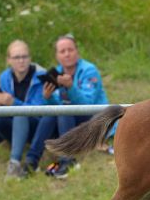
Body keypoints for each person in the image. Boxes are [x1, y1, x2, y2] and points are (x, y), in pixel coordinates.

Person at [22, 34, 109, 179]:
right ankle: (32, 160)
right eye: (62, 51)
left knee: (64, 110)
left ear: (77, 51)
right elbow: (54, 107)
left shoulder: (89, 70)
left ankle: (68, 160)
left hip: (93, 118)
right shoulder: (55, 73)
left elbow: (88, 104)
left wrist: (71, 88)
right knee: (54, 113)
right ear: (57, 56)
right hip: (67, 122)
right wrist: (48, 98)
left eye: (70, 50)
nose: (67, 54)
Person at [0, 40, 45, 180]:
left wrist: (13, 102)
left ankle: (15, 163)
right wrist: (1, 102)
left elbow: (40, 110)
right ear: (9, 60)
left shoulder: (41, 76)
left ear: (30, 58)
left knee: (20, 113)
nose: (21, 61)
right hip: (14, 128)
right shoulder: (5, 77)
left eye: (24, 57)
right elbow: (7, 110)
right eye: (17, 57)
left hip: (36, 127)